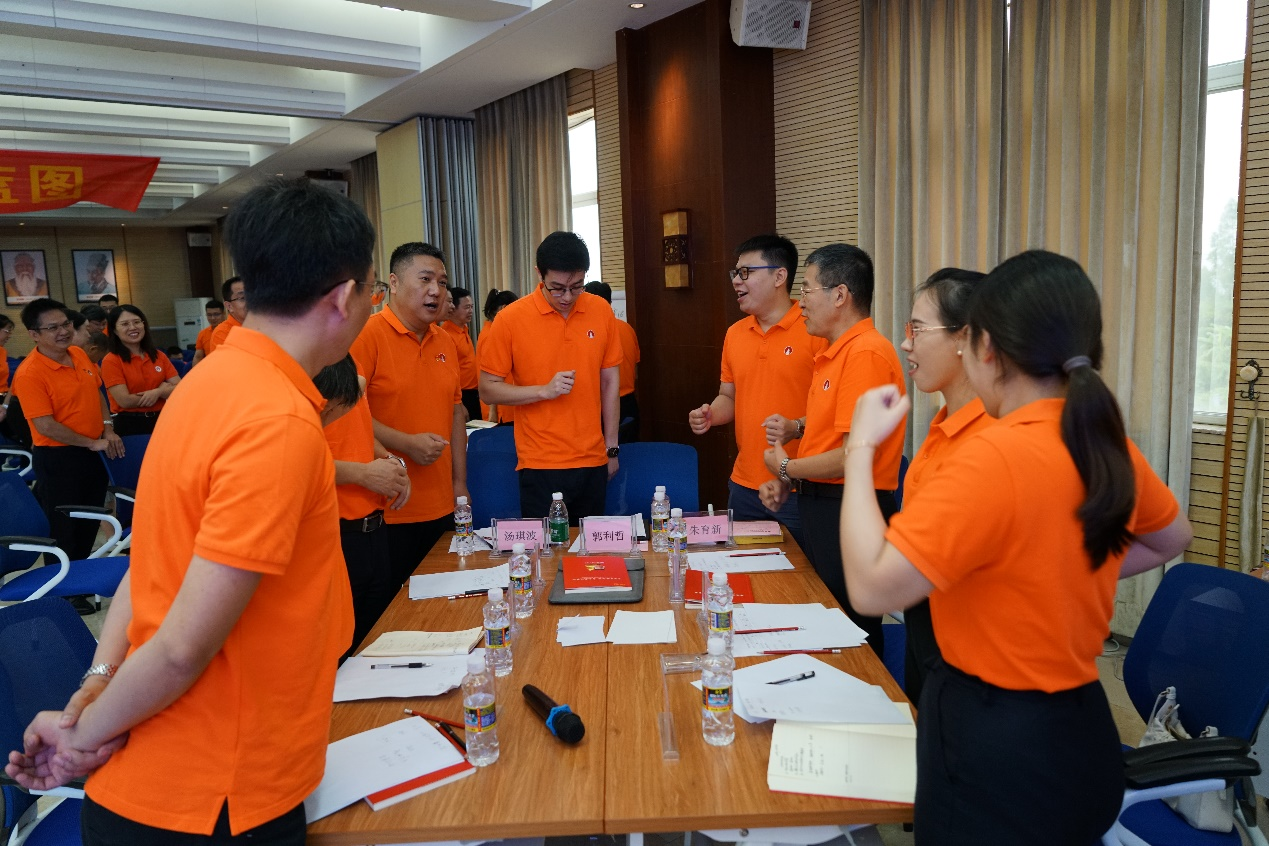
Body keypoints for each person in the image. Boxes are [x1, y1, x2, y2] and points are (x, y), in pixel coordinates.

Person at [5, 177, 375, 844]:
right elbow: (180, 649)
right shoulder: (277, 422)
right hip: (215, 792)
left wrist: (95, 685)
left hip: (162, 773)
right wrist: (79, 738)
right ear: (345, 295)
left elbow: (145, 564)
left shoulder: (206, 383)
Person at [839, 250, 1193, 845]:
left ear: (984, 348)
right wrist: (1062, 572)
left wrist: (859, 451)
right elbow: (1172, 537)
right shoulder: (1101, 441)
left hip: (995, 742)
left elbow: (871, 589)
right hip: (1081, 728)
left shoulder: (991, 456)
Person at [758, 244, 905, 657]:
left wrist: (786, 467)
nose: (800, 301)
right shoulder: (835, 353)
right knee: (830, 622)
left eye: (807, 289)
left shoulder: (865, 354)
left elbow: (853, 455)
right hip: (826, 505)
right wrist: (796, 448)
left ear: (840, 295)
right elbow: (835, 427)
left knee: (851, 632)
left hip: (849, 508)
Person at [893, 267, 993, 705]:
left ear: (964, 338)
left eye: (917, 329)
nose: (906, 343)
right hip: (925, 622)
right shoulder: (941, 424)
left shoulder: (996, 438)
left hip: (971, 651)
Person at [479, 232, 622, 521]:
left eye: (576, 286)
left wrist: (611, 448)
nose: (567, 297)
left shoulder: (600, 311)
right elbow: (487, 389)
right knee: (547, 546)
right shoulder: (510, 319)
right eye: (557, 288)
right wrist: (543, 391)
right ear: (539, 274)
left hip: (593, 459)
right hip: (539, 463)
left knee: (589, 546)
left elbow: (610, 383)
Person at [689, 235, 821, 548]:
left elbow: (830, 409)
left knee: (802, 574)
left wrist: (795, 427)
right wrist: (710, 414)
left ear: (779, 276)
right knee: (744, 571)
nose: (737, 281)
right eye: (735, 273)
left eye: (746, 272)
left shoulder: (815, 329)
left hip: (796, 484)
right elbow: (729, 396)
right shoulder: (735, 333)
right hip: (744, 485)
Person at [351, 242, 468, 589]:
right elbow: (350, 416)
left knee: (444, 602)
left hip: (443, 505)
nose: (436, 291)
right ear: (394, 282)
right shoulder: (366, 336)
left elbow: (456, 413)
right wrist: (407, 444)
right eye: (425, 279)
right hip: (390, 508)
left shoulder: (445, 342)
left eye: (442, 282)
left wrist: (460, 484)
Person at [9, 299, 124, 569]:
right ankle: (59, 584)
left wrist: (107, 427)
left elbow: (96, 392)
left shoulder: (78, 354)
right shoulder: (30, 373)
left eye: (66, 324)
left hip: (94, 453)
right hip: (59, 459)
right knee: (63, 532)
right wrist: (91, 442)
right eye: (53, 328)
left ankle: (80, 580)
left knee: (89, 523)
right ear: (34, 334)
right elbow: (45, 426)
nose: (63, 331)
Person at [315, 353, 409, 656]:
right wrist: (364, 474)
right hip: (336, 530)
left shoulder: (347, 362)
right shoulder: (305, 367)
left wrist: (390, 462)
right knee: (339, 648)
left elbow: (360, 427)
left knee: (375, 640)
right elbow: (297, 461)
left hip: (374, 525)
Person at [99, 305, 181, 436]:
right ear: (114, 330)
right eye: (125, 324)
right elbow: (125, 401)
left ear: (144, 325)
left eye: (137, 322)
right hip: (130, 424)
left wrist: (158, 392)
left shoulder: (159, 355)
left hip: (162, 420)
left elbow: (180, 388)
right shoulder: (111, 360)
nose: (132, 327)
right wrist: (161, 391)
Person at [584, 281, 641, 442]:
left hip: (604, 406)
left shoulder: (592, 333)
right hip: (629, 403)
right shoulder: (627, 328)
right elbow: (635, 371)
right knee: (630, 453)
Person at [477, 289, 517, 424]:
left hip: (505, 404)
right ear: (504, 308)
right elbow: (491, 374)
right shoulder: (491, 334)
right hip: (501, 409)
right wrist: (493, 411)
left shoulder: (491, 330)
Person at [441, 286, 481, 422]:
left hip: (473, 391)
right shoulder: (446, 334)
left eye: (472, 307)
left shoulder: (464, 329)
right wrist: (459, 403)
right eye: (466, 307)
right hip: (462, 395)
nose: (471, 311)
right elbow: (447, 372)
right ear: (453, 309)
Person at [205, 277, 245, 356]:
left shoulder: (263, 327)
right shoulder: (222, 333)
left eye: (253, 296)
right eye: (243, 298)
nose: (251, 302)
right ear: (229, 306)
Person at [190, 299, 225, 365]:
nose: (213, 318)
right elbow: (198, 357)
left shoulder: (232, 331)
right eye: (209, 315)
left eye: (216, 314)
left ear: (223, 314)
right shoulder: (203, 334)